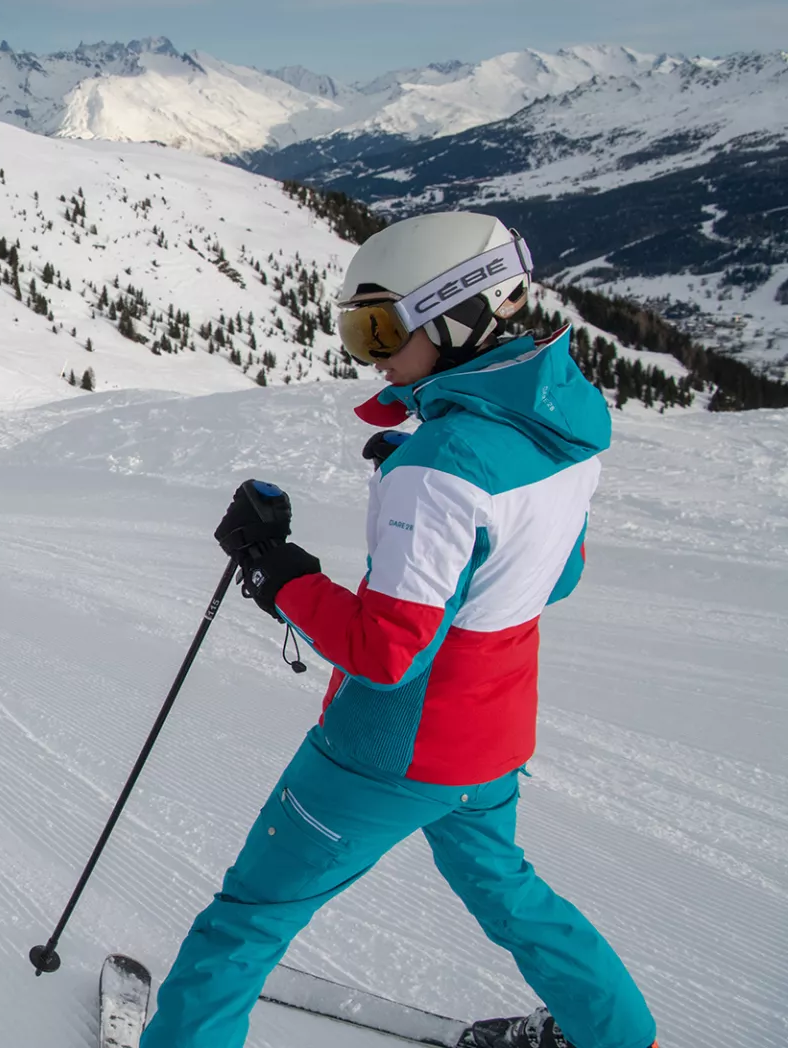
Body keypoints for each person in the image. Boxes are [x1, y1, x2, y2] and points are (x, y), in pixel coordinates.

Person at [140, 212, 658, 1048]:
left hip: (388, 751)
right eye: (357, 328)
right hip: (488, 741)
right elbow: (556, 575)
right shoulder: (563, 428)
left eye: (379, 325)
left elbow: (386, 653)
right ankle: (624, 1037)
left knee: (244, 924)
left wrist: (280, 574)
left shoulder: (441, 467)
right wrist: (445, 515)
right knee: (512, 897)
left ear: (457, 316)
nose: (370, 352)